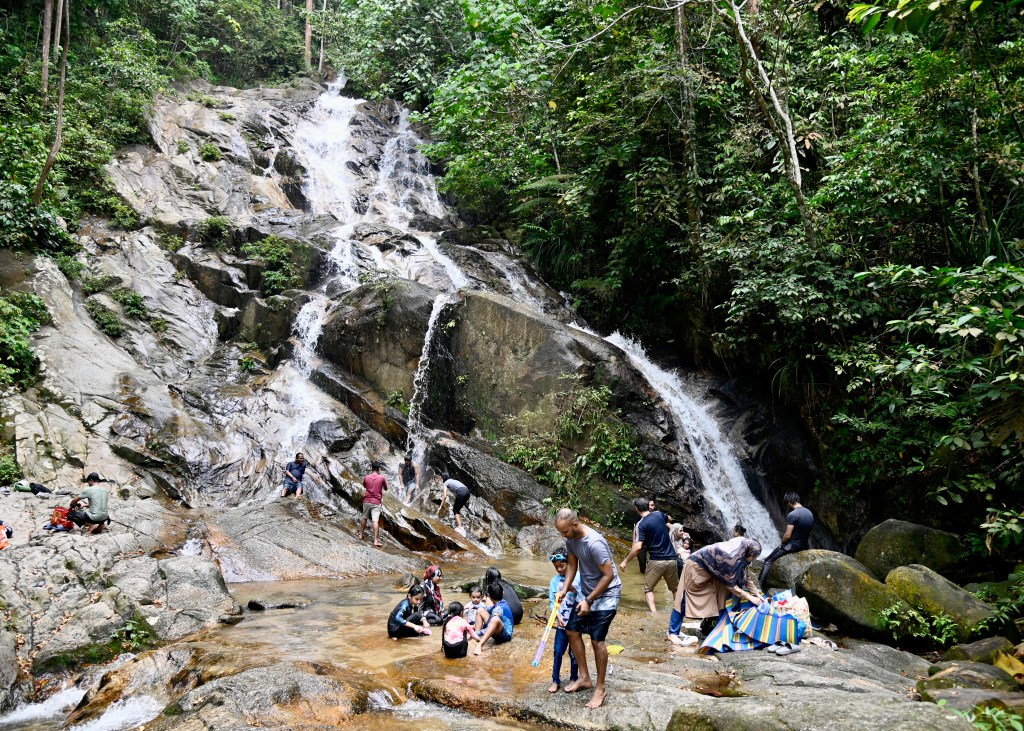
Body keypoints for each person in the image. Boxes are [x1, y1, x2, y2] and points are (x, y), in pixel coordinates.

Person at [554, 508, 621, 709]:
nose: (563, 536)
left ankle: (600, 688)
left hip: (607, 594)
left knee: (597, 640)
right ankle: (584, 677)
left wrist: (589, 601)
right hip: (587, 592)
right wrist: (565, 589)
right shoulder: (570, 540)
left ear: (575, 525)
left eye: (565, 532)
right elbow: (572, 566)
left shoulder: (595, 543)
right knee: (571, 630)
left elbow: (608, 576)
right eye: (561, 532)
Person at [669, 535, 763, 645]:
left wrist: (756, 593)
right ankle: (672, 633)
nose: (755, 559)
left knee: (722, 597)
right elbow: (731, 585)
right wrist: (750, 597)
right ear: (748, 553)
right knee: (684, 599)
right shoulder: (731, 558)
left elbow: (746, 576)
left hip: (712, 571)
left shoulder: (741, 554)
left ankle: (719, 630)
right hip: (696, 568)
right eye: (754, 556)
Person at [619, 496, 679, 615]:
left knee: (648, 589)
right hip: (672, 559)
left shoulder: (640, 525)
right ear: (648, 506)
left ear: (637, 509)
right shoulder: (659, 515)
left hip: (656, 560)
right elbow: (670, 518)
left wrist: (625, 561)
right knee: (675, 588)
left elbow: (637, 547)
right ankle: (680, 611)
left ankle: (654, 614)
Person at [759, 492, 814, 586]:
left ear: (789, 502)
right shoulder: (809, 513)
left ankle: (759, 586)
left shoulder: (793, 514)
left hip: (793, 546)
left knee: (768, 561)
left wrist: (782, 542)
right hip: (804, 546)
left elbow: (787, 535)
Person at [547, 551, 580, 693]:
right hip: (561, 623)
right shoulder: (554, 581)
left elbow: (585, 597)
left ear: (569, 563)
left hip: (575, 623)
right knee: (558, 651)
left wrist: (574, 590)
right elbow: (552, 602)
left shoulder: (578, 577)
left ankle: (574, 678)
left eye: (562, 565)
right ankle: (555, 680)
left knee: (574, 652)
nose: (560, 569)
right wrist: (557, 617)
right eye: (557, 567)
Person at [472, 581, 514, 655]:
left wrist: (475, 632)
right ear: (503, 593)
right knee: (480, 610)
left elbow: (490, 625)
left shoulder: (499, 608)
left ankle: (480, 644)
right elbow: (487, 609)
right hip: (497, 630)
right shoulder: (500, 602)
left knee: (495, 619)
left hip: (505, 636)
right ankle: (477, 637)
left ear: (490, 597)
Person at [358, 461, 387, 547]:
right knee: (375, 521)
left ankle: (360, 535)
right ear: (379, 469)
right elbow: (386, 488)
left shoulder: (366, 477)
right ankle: (375, 541)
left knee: (364, 517)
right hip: (376, 502)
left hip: (367, 501)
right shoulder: (382, 477)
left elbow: (364, 485)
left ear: (371, 468)